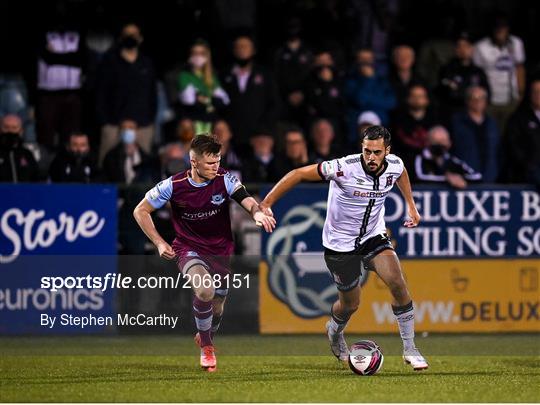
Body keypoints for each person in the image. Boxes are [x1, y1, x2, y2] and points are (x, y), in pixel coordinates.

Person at [260, 125, 428, 371]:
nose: (371, 157)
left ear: (387, 151)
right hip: (340, 244)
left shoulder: (394, 163)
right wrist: (266, 203)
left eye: (377, 152)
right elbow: (298, 173)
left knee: (397, 282)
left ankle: (410, 349)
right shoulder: (343, 167)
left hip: (373, 236)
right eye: (367, 151)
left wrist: (411, 205)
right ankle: (335, 331)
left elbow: (400, 172)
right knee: (350, 304)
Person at [133, 134, 275, 372]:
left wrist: (258, 213)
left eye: (218, 161)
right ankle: (206, 348)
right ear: (193, 162)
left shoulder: (225, 179)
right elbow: (140, 210)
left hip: (220, 251)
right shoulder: (173, 185)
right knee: (204, 290)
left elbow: (247, 200)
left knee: (217, 307)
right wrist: (159, 242)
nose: (215, 167)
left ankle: (205, 334)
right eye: (210, 163)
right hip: (188, 248)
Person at [96, 22, 157, 164]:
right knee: (107, 164)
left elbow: (152, 95)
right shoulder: (109, 61)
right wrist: (106, 120)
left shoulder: (146, 63)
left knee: (142, 166)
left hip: (142, 125)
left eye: (134, 34)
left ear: (140, 38)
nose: (130, 37)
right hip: (113, 124)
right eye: (127, 34)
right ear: (120, 38)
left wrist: (147, 120)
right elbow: (101, 94)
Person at [221, 33, 280, 156]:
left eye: (245, 46)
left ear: (253, 50)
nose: (242, 49)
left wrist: (263, 130)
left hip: (258, 135)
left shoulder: (265, 74)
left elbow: (274, 104)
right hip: (231, 135)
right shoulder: (224, 75)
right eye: (239, 46)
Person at [473, 14, 526, 132]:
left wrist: (521, 93)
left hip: (511, 99)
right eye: (497, 27)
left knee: (510, 132)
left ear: (508, 29)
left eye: (503, 27)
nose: (500, 31)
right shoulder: (481, 47)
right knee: (492, 133)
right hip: (490, 100)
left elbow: (520, 68)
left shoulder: (516, 43)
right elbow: (476, 74)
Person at [345, 48, 396, 144]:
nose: (365, 62)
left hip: (382, 126)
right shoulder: (351, 81)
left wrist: (369, 101)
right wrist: (368, 79)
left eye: (368, 59)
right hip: (356, 132)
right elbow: (360, 100)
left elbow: (391, 102)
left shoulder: (382, 80)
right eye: (362, 59)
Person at [178, 40, 230, 134]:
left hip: (210, 121)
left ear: (207, 56)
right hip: (193, 121)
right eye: (195, 53)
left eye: (202, 53)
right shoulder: (185, 75)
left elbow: (225, 100)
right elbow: (189, 100)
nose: (198, 56)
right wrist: (209, 99)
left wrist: (204, 98)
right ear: (190, 55)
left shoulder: (212, 77)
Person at [451, 86, 500, 183]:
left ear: (486, 101)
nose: (478, 101)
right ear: (467, 101)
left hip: (490, 178)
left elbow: (498, 150)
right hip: (465, 178)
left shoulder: (492, 123)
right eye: (474, 98)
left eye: (481, 98)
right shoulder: (456, 122)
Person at [437, 33, 490, 122]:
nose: (463, 49)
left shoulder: (478, 71)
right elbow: (446, 92)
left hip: (475, 114)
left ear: (472, 49)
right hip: (453, 113)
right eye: (460, 46)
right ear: (456, 49)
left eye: (466, 46)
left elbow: (487, 92)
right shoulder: (447, 70)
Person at [500, 78, 540, 187]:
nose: (538, 95)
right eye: (535, 91)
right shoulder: (518, 118)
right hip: (527, 176)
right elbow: (513, 146)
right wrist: (529, 167)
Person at [413, 126, 481, 188]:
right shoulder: (419, 159)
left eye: (443, 141)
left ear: (449, 143)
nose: (439, 144)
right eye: (435, 141)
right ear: (428, 142)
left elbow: (476, 176)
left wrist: (459, 178)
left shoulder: (453, 161)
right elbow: (419, 178)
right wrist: (447, 178)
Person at [102, 119, 158, 184]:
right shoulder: (111, 157)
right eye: (124, 128)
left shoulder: (146, 158)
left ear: (137, 131)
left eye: (131, 128)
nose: (127, 131)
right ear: (119, 132)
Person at [0, 114, 38, 183]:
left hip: (24, 193)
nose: (10, 131)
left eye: (14, 128)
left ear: (21, 131)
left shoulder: (27, 155)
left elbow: (36, 180)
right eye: (6, 127)